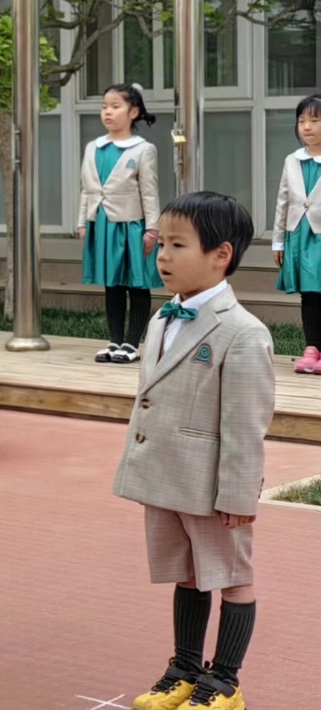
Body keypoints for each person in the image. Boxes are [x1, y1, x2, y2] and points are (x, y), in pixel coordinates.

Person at [113, 192, 272, 710]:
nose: (162, 255)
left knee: (232, 578)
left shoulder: (243, 333)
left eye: (178, 245)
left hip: (213, 487)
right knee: (185, 573)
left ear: (220, 255)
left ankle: (225, 681)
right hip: (167, 474)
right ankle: (184, 668)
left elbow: (246, 424)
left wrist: (239, 495)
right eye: (161, 243)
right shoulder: (162, 318)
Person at [79, 83, 163, 364]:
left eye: (115, 106)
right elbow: (86, 189)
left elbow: (149, 192)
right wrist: (83, 223)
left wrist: (152, 229)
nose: (108, 112)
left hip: (132, 225)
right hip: (102, 224)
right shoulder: (93, 147)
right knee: (112, 283)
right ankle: (114, 340)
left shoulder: (143, 149)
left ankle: (132, 342)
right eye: (104, 106)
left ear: (133, 112)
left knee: (137, 283)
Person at [272, 93, 321, 373]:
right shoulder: (292, 160)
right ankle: (312, 347)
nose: (307, 126)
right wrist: (278, 241)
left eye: (314, 120)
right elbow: (283, 201)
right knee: (309, 293)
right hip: (300, 235)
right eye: (302, 120)